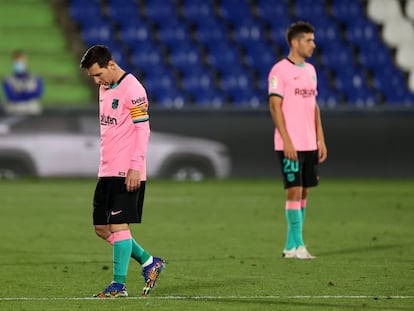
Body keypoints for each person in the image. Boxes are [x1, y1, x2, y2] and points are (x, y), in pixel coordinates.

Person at [80, 45, 165, 298]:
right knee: (101, 228)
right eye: (93, 77)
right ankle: (150, 261)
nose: (97, 81)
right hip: (106, 169)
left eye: (98, 74)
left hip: (126, 170)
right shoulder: (104, 88)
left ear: (111, 64)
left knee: (118, 225)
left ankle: (119, 285)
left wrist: (135, 167)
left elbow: (143, 129)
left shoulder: (134, 89)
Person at [268, 21, 328, 259]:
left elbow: (314, 107)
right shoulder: (279, 70)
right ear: (295, 42)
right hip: (289, 144)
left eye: (312, 40)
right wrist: (287, 141)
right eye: (308, 40)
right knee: (294, 191)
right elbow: (275, 106)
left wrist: (320, 139)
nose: (313, 44)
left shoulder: (311, 71)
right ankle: (300, 245)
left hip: (309, 142)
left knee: (304, 193)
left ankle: (290, 247)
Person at [2, 50, 44, 115]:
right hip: (13, 110)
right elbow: (11, 96)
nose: (18, 64)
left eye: (21, 61)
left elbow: (38, 93)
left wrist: (19, 94)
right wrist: (28, 95)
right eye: (16, 61)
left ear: (26, 62)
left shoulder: (36, 78)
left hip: (32, 111)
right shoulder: (7, 79)